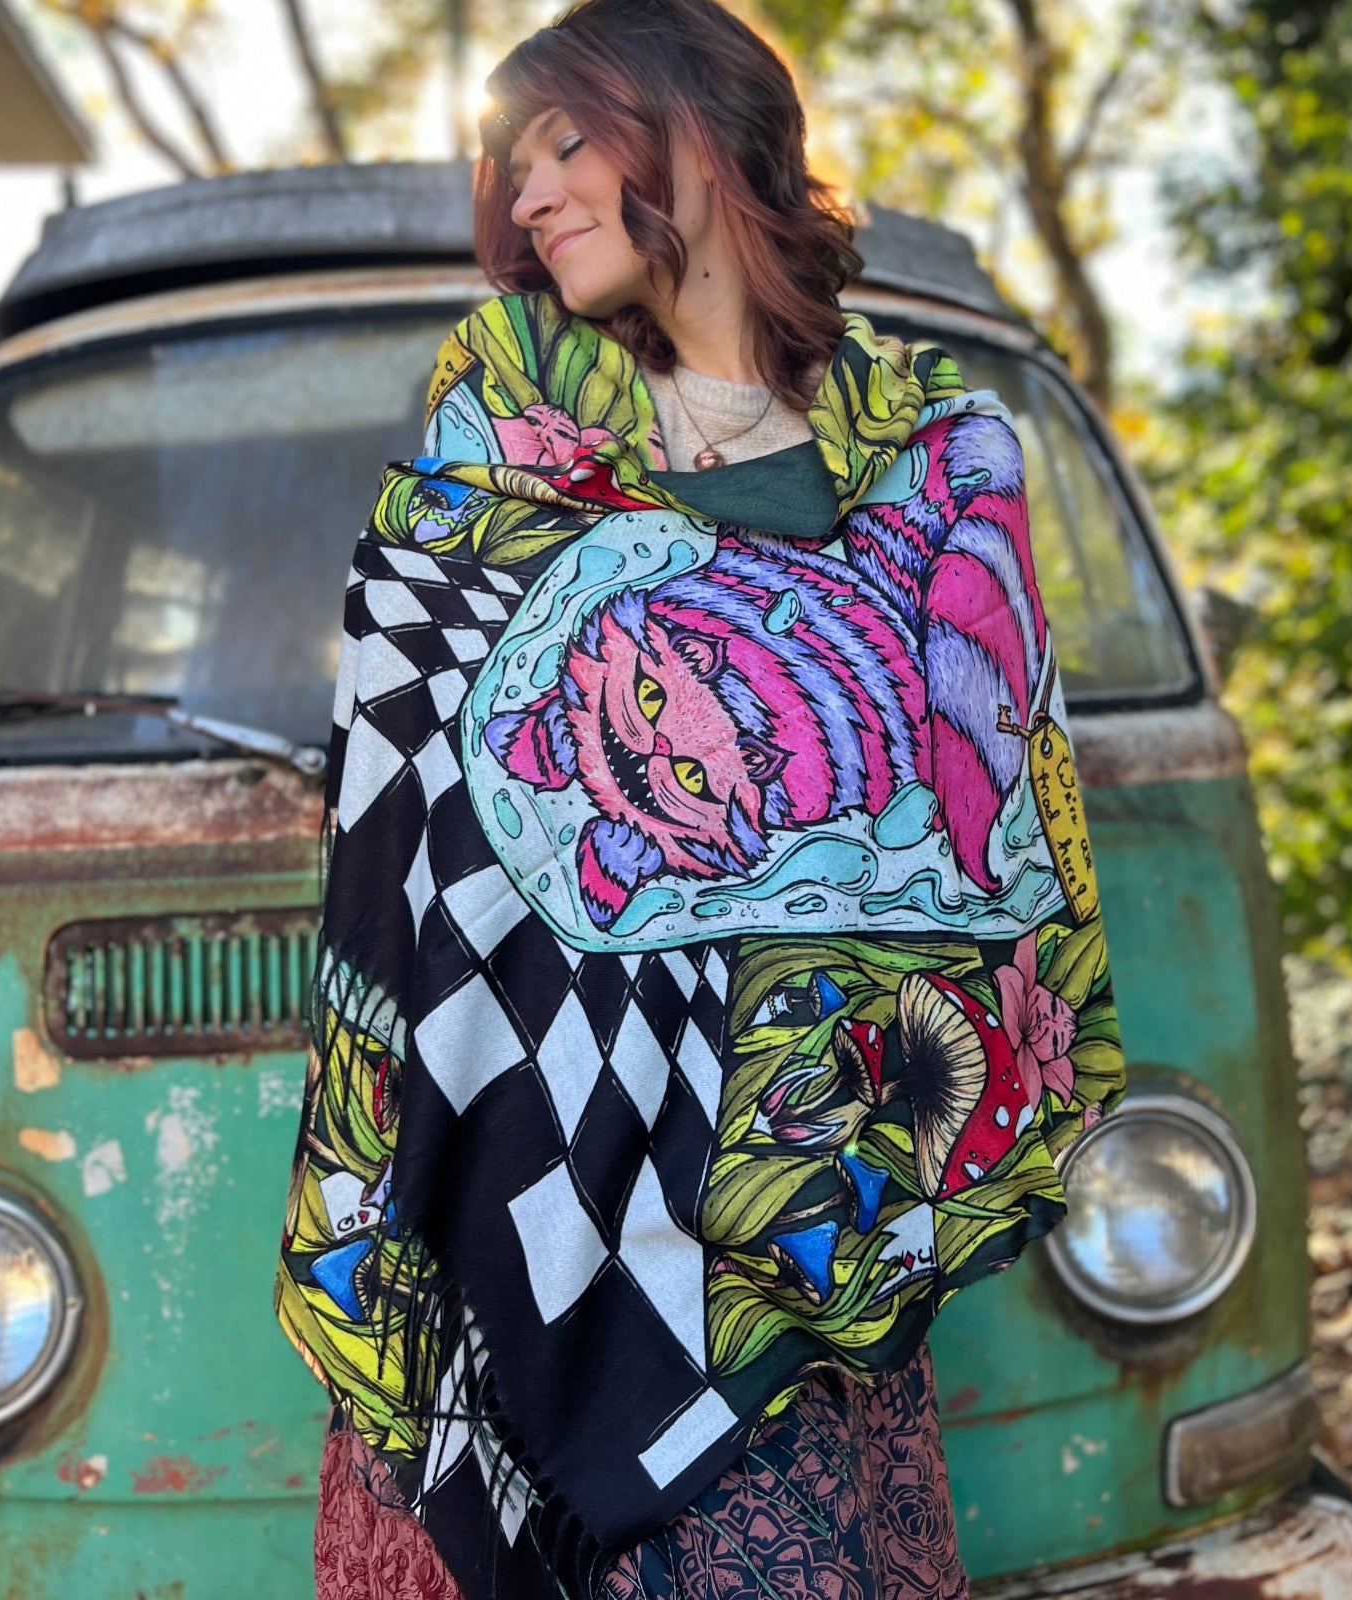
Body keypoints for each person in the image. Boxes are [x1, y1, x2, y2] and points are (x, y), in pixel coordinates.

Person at [274, 1, 1125, 1597]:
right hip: (546, 1195)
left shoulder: (943, 464)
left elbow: (990, 842)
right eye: (509, 162)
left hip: (816, 1225)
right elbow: (413, 796)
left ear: (702, 136)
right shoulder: (503, 442)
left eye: (565, 143)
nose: (525, 198)